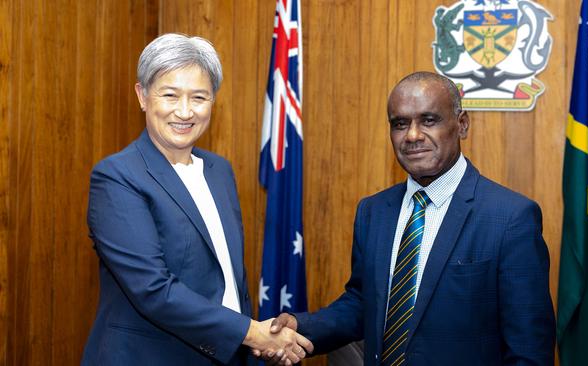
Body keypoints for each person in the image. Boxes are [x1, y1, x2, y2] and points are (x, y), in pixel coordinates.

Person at [263, 72, 555, 365]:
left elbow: (528, 350)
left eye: (429, 120)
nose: (412, 135)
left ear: (462, 124)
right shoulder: (373, 212)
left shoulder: (511, 218)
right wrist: (302, 327)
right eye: (400, 124)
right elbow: (365, 303)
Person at [82, 33, 312, 366]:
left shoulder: (219, 171)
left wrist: (255, 342)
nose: (185, 111)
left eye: (199, 97)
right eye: (170, 95)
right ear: (143, 96)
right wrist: (251, 332)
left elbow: (231, 281)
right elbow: (152, 289)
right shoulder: (117, 177)